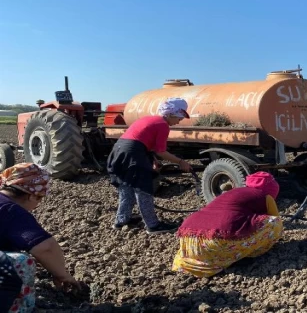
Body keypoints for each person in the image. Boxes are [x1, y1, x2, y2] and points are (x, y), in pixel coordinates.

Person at [0, 163, 81, 311]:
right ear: (31, 195)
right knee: (22, 263)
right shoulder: (12, 210)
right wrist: (62, 275)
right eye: (40, 199)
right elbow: (46, 248)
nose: (38, 205)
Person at [107, 97, 193, 234]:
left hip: (119, 152)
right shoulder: (163, 125)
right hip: (133, 155)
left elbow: (143, 142)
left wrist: (152, 160)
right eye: (179, 118)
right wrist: (180, 162)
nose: (178, 122)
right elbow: (161, 151)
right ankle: (153, 226)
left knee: (126, 187)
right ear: (170, 114)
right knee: (143, 190)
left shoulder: (149, 119)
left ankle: (121, 220)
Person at [172, 171, 283, 277]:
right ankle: (247, 253)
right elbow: (275, 218)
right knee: (275, 223)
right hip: (216, 242)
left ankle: (195, 263)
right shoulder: (266, 197)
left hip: (188, 239)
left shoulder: (234, 192)